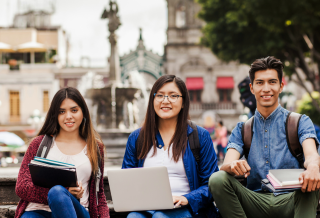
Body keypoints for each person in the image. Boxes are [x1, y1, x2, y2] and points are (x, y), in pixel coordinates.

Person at [209, 56, 320, 218]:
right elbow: (226, 164)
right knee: (217, 179)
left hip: (293, 199)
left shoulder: (300, 121)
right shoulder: (242, 129)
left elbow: (311, 155)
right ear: (252, 88)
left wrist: (313, 167)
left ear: (281, 86)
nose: (266, 88)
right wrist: (233, 165)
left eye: (272, 82)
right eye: (260, 83)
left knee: (311, 182)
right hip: (254, 200)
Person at [122, 75, 219, 218]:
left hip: (187, 208)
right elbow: (126, 181)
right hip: (146, 208)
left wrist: (187, 199)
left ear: (184, 102)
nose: (165, 101)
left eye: (173, 96)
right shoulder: (137, 138)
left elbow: (211, 185)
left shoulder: (200, 136)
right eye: (160, 95)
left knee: (161, 217)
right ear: (152, 100)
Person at [15, 87, 109, 218]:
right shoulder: (39, 144)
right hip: (37, 211)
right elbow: (21, 187)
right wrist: (65, 192)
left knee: (57, 192)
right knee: (57, 192)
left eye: (74, 110)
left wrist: (63, 194)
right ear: (55, 115)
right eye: (62, 111)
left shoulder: (95, 148)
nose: (68, 116)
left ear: (83, 112)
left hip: (76, 211)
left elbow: (100, 195)